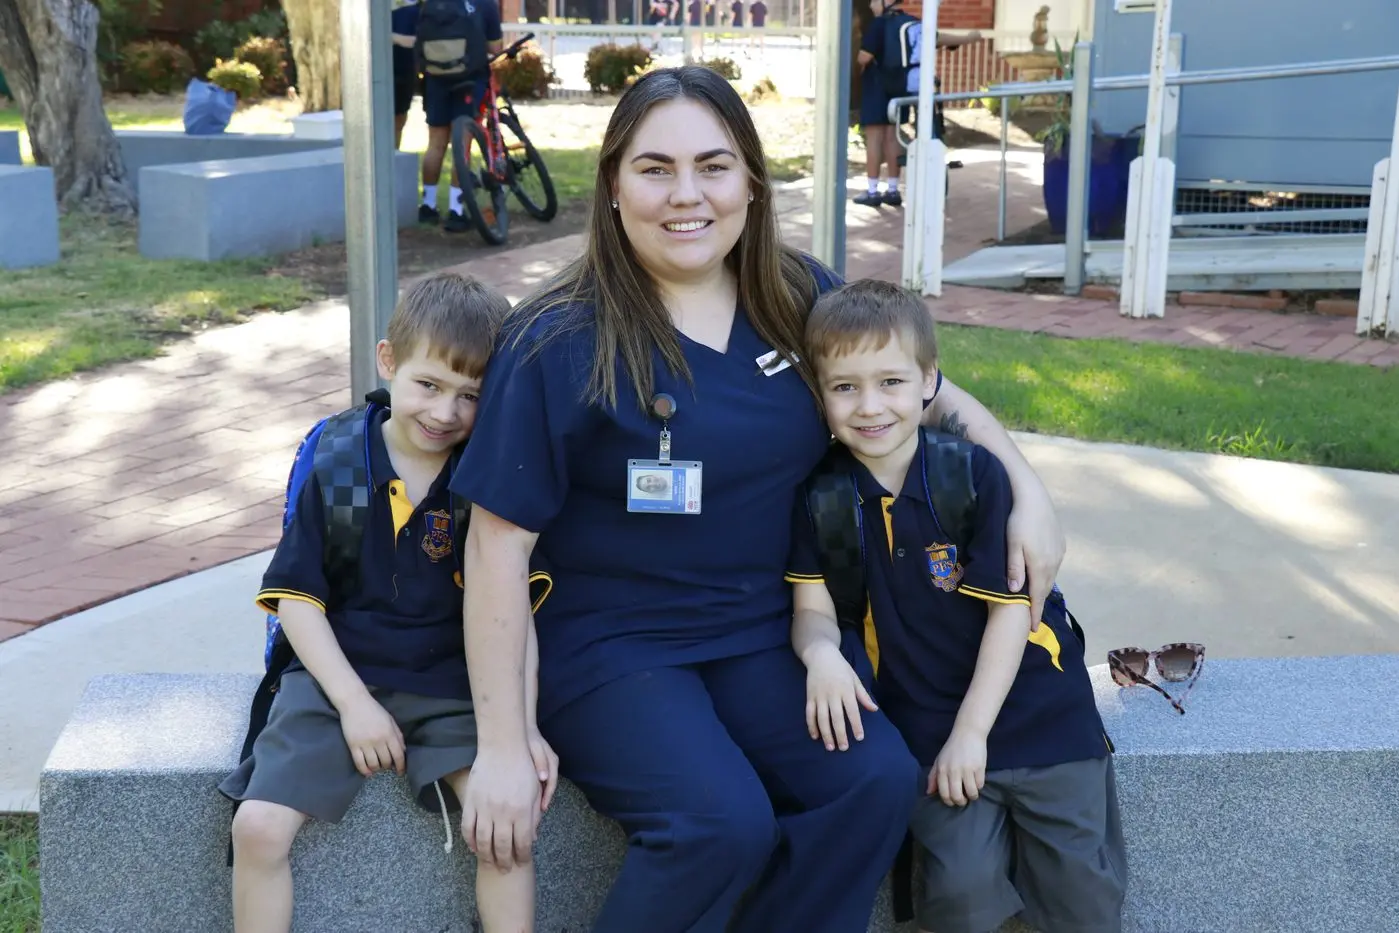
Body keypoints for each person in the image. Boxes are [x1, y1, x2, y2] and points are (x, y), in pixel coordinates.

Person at [450, 65, 1068, 933]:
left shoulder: (795, 295)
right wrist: (503, 746)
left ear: (749, 179)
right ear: (614, 184)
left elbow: (925, 390)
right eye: (655, 169)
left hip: (767, 632)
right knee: (718, 823)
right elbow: (495, 545)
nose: (686, 195)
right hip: (610, 646)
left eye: (713, 166)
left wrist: (1027, 491)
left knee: (873, 781)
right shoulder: (556, 338)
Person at [220, 273, 558, 933]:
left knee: (507, 827)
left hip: (455, 683)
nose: (445, 412)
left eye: (470, 396)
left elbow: (514, 614)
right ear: (388, 361)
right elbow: (297, 603)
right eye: (428, 384)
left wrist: (522, 730)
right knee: (257, 827)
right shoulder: (340, 462)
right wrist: (353, 705)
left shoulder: (488, 475)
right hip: (335, 679)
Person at [790, 278, 1127, 933]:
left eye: (891, 382)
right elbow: (812, 610)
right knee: (959, 897)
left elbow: (1010, 611)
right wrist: (821, 654)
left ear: (928, 381)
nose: (869, 406)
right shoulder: (821, 496)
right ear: (819, 393)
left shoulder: (972, 475)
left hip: (1040, 717)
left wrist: (973, 734)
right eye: (844, 386)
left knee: (1080, 896)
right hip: (929, 728)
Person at [417, 0, 504, 232]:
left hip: (435, 79)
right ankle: (456, 210)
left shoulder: (432, 3)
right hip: (470, 80)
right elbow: (495, 48)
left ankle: (428, 205)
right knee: (462, 144)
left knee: (435, 143)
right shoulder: (484, 4)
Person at [390, 0, 421, 149]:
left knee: (399, 118)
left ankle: (394, 155)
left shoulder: (416, 8)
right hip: (379, 68)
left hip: (405, 68)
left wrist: (392, 37)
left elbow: (420, 39)